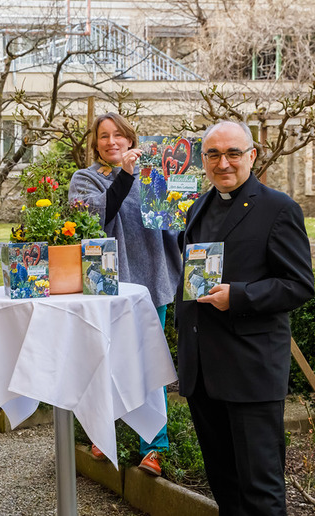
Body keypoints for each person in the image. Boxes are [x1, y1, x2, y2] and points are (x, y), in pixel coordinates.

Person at [176, 121, 314, 514]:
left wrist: (240, 296)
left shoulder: (278, 208)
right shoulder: (199, 206)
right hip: (204, 371)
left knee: (260, 489)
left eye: (233, 153)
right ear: (203, 160)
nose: (223, 163)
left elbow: (300, 284)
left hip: (250, 371)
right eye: (213, 154)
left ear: (251, 155)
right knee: (223, 482)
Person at [68, 112, 182, 475]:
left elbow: (172, 226)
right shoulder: (85, 178)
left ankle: (153, 446)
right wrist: (127, 176)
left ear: (131, 139)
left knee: (151, 365)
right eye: (104, 136)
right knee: (105, 362)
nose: (112, 141)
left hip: (150, 280)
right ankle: (105, 435)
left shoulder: (153, 173)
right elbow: (94, 219)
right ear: (95, 143)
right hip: (105, 285)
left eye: (119, 135)